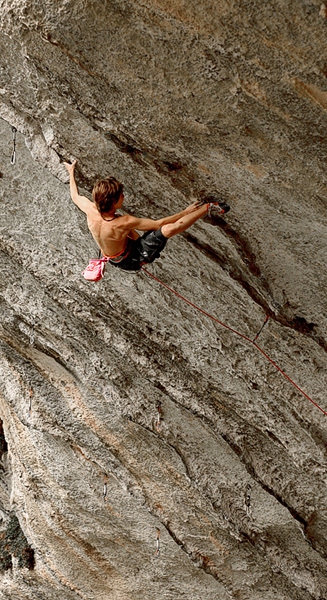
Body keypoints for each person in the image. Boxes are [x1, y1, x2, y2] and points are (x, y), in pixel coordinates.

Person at [64, 160, 230, 271]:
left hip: (115, 255)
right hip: (133, 259)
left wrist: (71, 172)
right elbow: (159, 224)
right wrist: (185, 212)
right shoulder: (123, 222)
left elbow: (75, 196)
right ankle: (208, 208)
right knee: (169, 229)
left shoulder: (90, 208)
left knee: (128, 231)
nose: (124, 196)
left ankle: (132, 241)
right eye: (121, 195)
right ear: (113, 202)